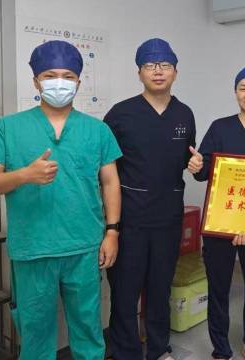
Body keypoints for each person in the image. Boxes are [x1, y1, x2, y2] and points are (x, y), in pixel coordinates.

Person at [0, 40, 122, 360]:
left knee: (88, 328)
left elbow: (110, 182)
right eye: (50, 75)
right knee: (35, 333)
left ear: (78, 82)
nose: (59, 82)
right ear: (36, 81)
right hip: (33, 248)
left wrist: (112, 231)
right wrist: (24, 175)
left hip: (84, 246)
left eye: (68, 76)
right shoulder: (7, 128)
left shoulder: (97, 131)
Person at [104, 38, 196, 360]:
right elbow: (105, 170)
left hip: (168, 218)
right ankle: (126, 352)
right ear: (139, 72)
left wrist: (197, 164)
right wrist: (111, 226)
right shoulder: (120, 114)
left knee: (160, 289)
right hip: (129, 220)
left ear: (175, 72)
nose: (158, 71)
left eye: (165, 65)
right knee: (124, 292)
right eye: (150, 65)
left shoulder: (184, 114)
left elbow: (187, 160)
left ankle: (159, 349)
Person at [188, 66, 245, 360]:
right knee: (219, 288)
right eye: (242, 88)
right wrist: (196, 166)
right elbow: (203, 172)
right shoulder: (219, 128)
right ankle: (220, 348)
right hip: (220, 224)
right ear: (235, 93)